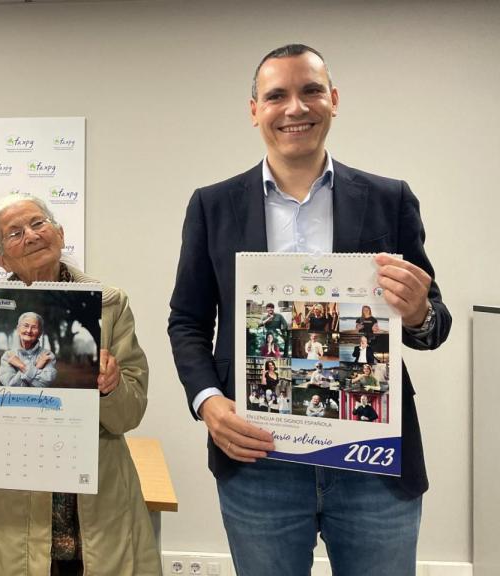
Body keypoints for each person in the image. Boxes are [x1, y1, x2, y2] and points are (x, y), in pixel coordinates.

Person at [167, 44, 450, 576]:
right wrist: (208, 402)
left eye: (311, 90)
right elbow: (186, 320)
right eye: (277, 95)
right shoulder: (212, 205)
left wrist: (418, 314)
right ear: (255, 110)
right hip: (259, 458)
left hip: (372, 456)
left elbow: (434, 323)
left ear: (333, 99)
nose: (295, 108)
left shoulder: (390, 198)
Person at [0, 195, 159, 575]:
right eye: (15, 233)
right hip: (11, 502)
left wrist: (110, 387)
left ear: (60, 233)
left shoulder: (109, 305)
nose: (32, 235)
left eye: (39, 223)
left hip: (97, 500)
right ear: (1, 259)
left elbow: (130, 413)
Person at [0, 312, 57, 388]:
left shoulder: (47, 355)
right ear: (18, 329)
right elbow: (11, 386)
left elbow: (44, 384)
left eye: (34, 327)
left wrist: (21, 366)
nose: (29, 331)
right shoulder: (8, 356)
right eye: (26, 326)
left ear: (40, 333)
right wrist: (37, 367)